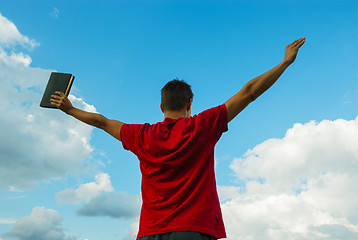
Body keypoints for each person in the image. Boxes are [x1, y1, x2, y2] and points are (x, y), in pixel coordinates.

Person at [50, 37, 305, 240]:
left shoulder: (140, 135)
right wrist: (284, 63)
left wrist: (70, 109)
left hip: (150, 232)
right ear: (189, 103)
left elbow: (102, 121)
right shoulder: (202, 126)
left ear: (161, 106)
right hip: (193, 230)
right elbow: (248, 93)